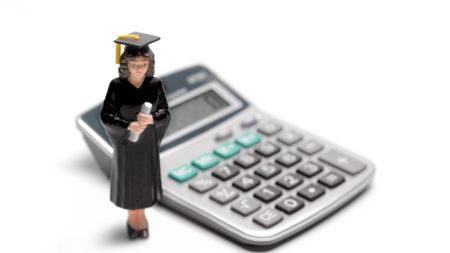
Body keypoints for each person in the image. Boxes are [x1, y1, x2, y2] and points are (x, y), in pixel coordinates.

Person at [100, 33, 171, 239]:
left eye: (143, 62)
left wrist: (152, 120)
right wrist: (128, 125)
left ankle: (140, 218)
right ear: (126, 64)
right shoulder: (117, 86)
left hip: (147, 142)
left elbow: (165, 112)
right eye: (134, 63)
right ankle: (135, 219)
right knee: (131, 180)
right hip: (127, 144)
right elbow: (106, 116)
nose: (139, 67)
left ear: (149, 64)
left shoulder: (155, 85)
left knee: (144, 179)